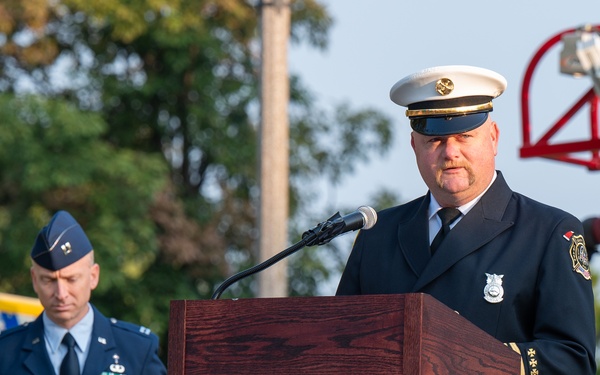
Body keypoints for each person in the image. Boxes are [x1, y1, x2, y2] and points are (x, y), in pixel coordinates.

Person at [336, 65, 596, 374]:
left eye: (464, 136)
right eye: (435, 141)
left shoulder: (548, 232)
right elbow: (340, 344)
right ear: (414, 147)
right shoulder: (378, 234)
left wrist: (475, 359)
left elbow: (572, 360)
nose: (450, 153)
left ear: (494, 138)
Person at [0, 210, 167, 375]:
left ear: (93, 276)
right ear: (35, 280)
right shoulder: (5, 352)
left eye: (71, 279)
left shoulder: (137, 350)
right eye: (49, 280)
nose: (61, 294)